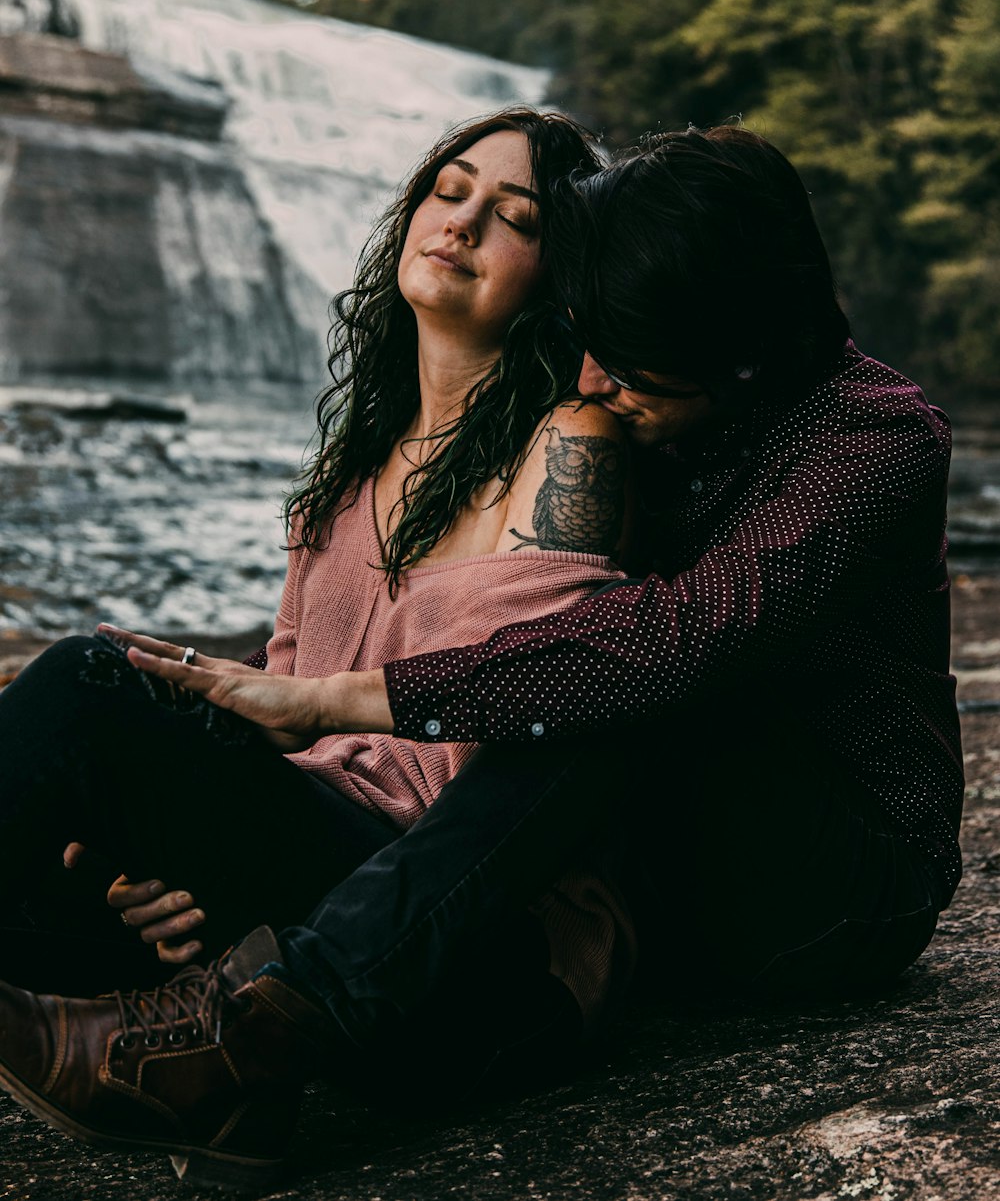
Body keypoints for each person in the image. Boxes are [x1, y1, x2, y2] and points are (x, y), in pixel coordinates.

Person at [0, 125, 964, 1190]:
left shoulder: (875, 438)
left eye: (626, 362)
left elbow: (676, 641)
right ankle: (227, 1041)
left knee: (637, 669)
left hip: (828, 879)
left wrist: (338, 699)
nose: (594, 376)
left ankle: (262, 1026)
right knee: (91, 685)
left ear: (738, 361)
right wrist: (150, 852)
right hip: (601, 864)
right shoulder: (588, 408)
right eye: (585, 337)